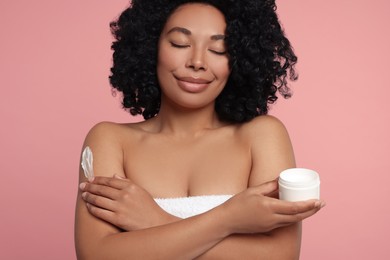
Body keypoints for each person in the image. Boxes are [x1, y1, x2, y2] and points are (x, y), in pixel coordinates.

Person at [75, 0, 325, 259]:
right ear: (151, 47)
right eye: (179, 44)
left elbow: (280, 255)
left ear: (238, 60)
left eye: (218, 49)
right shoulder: (109, 140)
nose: (197, 62)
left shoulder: (261, 136)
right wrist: (229, 219)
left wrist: (155, 220)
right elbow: (96, 254)